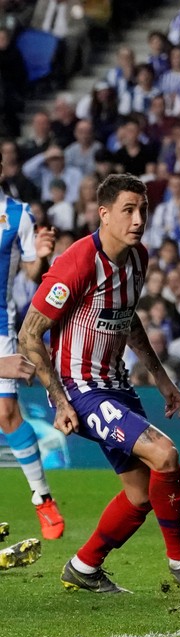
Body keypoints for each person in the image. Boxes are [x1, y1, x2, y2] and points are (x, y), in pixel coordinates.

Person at [18, 174, 180, 596]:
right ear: (105, 214)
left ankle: (84, 566)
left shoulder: (138, 257)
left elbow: (127, 318)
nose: (138, 219)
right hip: (80, 389)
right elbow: (29, 334)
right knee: (165, 454)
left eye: (143, 210)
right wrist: (60, 400)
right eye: (128, 210)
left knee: (141, 494)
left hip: (117, 385)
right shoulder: (78, 262)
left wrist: (161, 378)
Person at [0, 157, 65, 541]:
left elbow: (30, 271)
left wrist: (40, 254)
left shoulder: (17, 214)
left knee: (7, 414)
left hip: (0, 325)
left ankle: (42, 497)